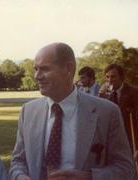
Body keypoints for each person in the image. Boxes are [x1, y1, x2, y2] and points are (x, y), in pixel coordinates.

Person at [9, 43, 135, 180]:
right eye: (36, 69)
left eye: (44, 69)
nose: (37, 76)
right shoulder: (28, 111)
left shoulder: (107, 112)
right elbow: (17, 162)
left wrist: (89, 177)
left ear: (68, 69)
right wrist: (21, 177)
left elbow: (126, 168)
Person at [99, 64, 138, 157]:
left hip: (131, 140)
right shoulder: (107, 94)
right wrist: (100, 97)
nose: (109, 80)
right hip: (113, 141)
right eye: (107, 77)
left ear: (122, 77)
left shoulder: (134, 92)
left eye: (113, 76)